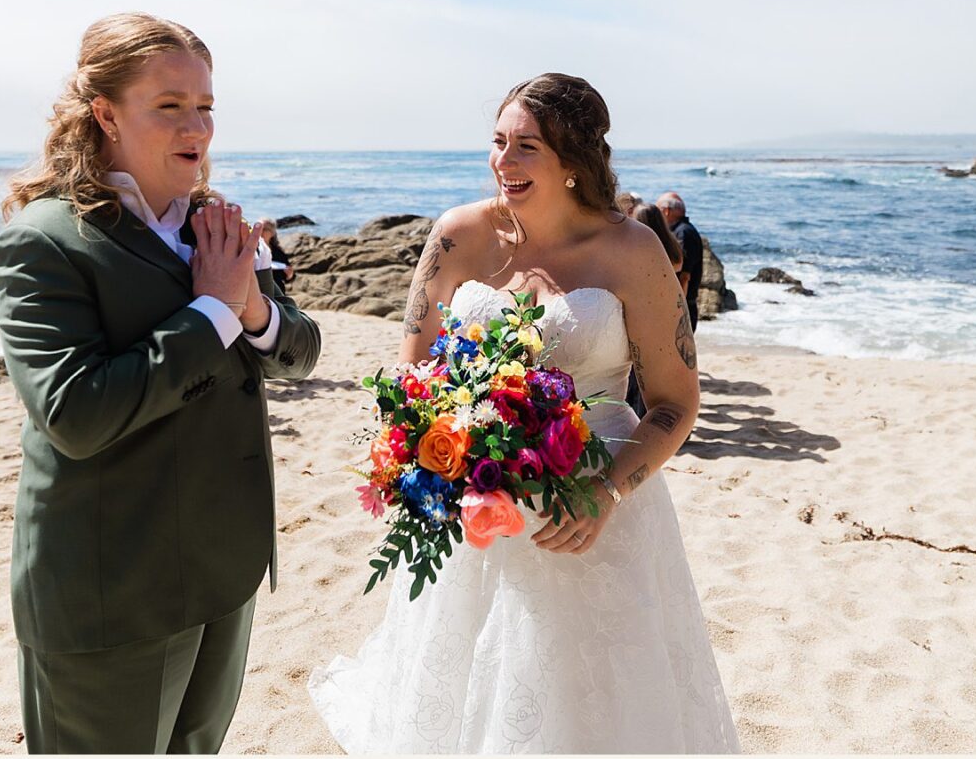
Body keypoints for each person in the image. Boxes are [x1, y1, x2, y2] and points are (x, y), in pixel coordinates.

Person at [308, 73, 738, 753]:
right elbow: (412, 376)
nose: (502, 162)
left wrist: (607, 492)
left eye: (526, 147)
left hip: (594, 512)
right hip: (471, 514)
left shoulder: (632, 252)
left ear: (573, 163)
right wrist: (429, 456)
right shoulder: (457, 236)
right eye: (498, 142)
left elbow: (675, 404)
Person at [0, 13, 322, 754]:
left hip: (224, 570)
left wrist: (250, 304)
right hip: (117, 590)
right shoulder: (44, 240)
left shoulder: (216, 225)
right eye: (169, 105)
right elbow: (75, 414)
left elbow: (298, 352)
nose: (195, 125)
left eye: (204, 106)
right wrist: (209, 310)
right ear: (105, 114)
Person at [623, 200, 684, 416]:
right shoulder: (672, 249)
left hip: (644, 317)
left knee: (637, 381)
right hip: (667, 316)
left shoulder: (642, 251)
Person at [658, 190, 704, 330]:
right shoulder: (682, 230)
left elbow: (684, 275)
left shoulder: (683, 233)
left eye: (658, 210)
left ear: (666, 211)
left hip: (683, 307)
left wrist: (676, 308)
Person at [256, 217, 293, 293]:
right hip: (256, 291)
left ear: (272, 233)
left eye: (264, 229)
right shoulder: (250, 250)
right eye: (258, 227)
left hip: (276, 292)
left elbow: (288, 278)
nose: (260, 231)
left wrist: (290, 275)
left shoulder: (278, 252)